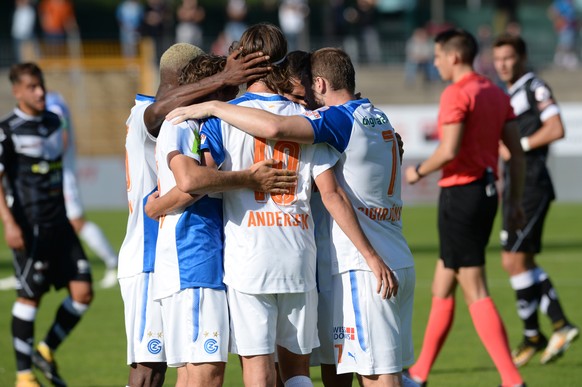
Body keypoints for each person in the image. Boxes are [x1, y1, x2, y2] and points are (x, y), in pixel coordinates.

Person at [167, 46, 413, 387]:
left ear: (321, 85)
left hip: (361, 263)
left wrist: (212, 106)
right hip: (369, 256)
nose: (304, 103)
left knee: (377, 373)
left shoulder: (337, 120)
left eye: (307, 93)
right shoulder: (377, 117)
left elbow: (276, 126)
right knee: (336, 365)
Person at [119, 42, 285, 386]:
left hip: (181, 253)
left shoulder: (196, 123)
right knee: (154, 369)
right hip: (163, 255)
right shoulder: (155, 116)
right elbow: (190, 180)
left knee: (188, 370)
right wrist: (247, 179)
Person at [403, 29, 526, 387]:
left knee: (475, 286)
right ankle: (420, 374)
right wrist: (515, 202)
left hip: (460, 196)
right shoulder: (496, 93)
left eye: (438, 55)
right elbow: (515, 155)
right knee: (443, 283)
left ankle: (512, 379)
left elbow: (449, 150)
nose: (435, 61)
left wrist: (418, 171)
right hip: (486, 194)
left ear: (454, 57)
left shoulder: (457, 93)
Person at [0, 62, 93, 387]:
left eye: (41, 86)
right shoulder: (7, 130)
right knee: (30, 297)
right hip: (30, 227)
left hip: (60, 223)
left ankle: (46, 349)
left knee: (83, 291)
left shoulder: (54, 121)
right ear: (17, 91)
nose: (40, 92)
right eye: (32, 88)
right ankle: (24, 376)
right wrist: (9, 224)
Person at [492, 34, 578, 367]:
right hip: (516, 186)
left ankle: (554, 326)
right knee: (516, 261)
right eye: (498, 58)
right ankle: (539, 332)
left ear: (522, 58)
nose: (502, 64)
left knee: (513, 260)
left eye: (509, 58)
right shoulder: (508, 93)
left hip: (532, 186)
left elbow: (556, 128)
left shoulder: (534, 87)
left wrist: (520, 147)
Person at [44, 91, 120, 289]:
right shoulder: (54, 101)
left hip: (61, 175)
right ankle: (37, 270)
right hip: (53, 175)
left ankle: (114, 262)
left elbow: (63, 137)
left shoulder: (53, 104)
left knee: (77, 222)